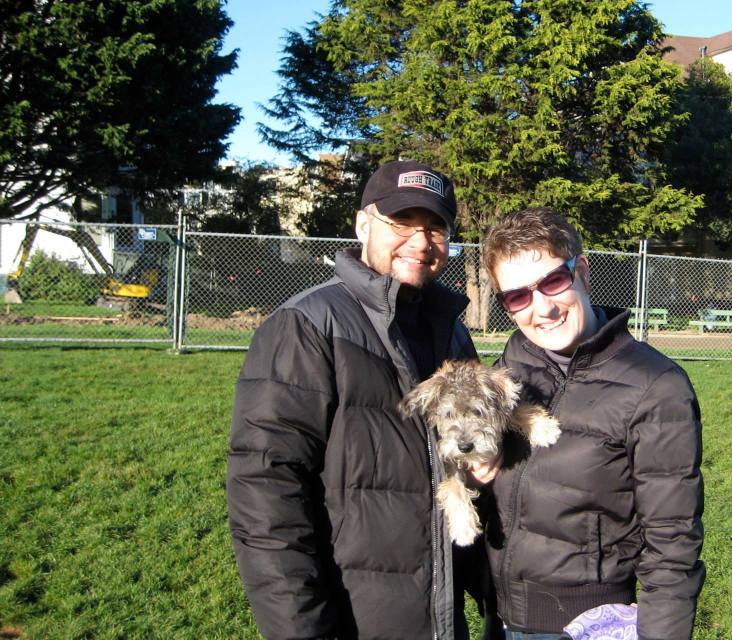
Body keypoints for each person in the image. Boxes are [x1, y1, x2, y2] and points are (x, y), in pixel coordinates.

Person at [227, 160, 486, 640]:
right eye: (401, 223)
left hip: (439, 617)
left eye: (435, 227)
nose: (420, 241)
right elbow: (266, 492)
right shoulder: (308, 325)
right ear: (363, 224)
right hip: (355, 617)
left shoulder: (450, 331)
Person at [480, 208, 706, 640]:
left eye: (552, 281)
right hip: (500, 618)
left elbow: (672, 541)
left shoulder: (654, 386)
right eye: (517, 297)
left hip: (586, 626)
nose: (541, 309)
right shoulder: (507, 370)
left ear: (581, 271)